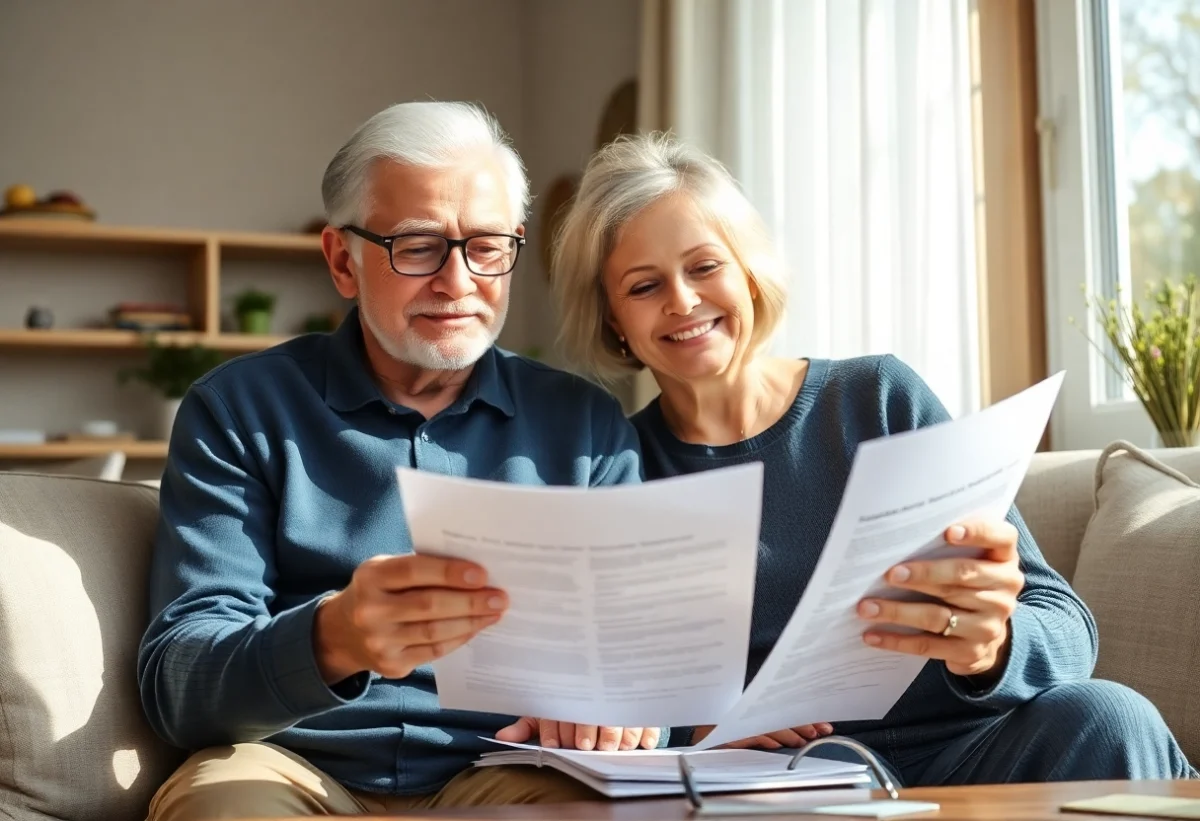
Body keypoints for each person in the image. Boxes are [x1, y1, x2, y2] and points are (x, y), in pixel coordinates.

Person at [550, 131, 1199, 785]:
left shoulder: (878, 400)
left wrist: (995, 646)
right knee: (821, 779)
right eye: (643, 285)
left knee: (1111, 714)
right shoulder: (617, 466)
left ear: (748, 273)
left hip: (977, 743)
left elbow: (1064, 625)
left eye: (704, 266)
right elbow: (609, 684)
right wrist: (693, 725)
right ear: (613, 319)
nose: (683, 300)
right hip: (794, 773)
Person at [137, 101, 663, 821]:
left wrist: (624, 706)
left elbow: (643, 655)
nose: (457, 282)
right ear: (341, 260)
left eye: (486, 245)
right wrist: (334, 636)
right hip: (291, 762)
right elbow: (179, 683)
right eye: (417, 246)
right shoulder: (237, 410)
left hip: (504, 764)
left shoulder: (586, 425)